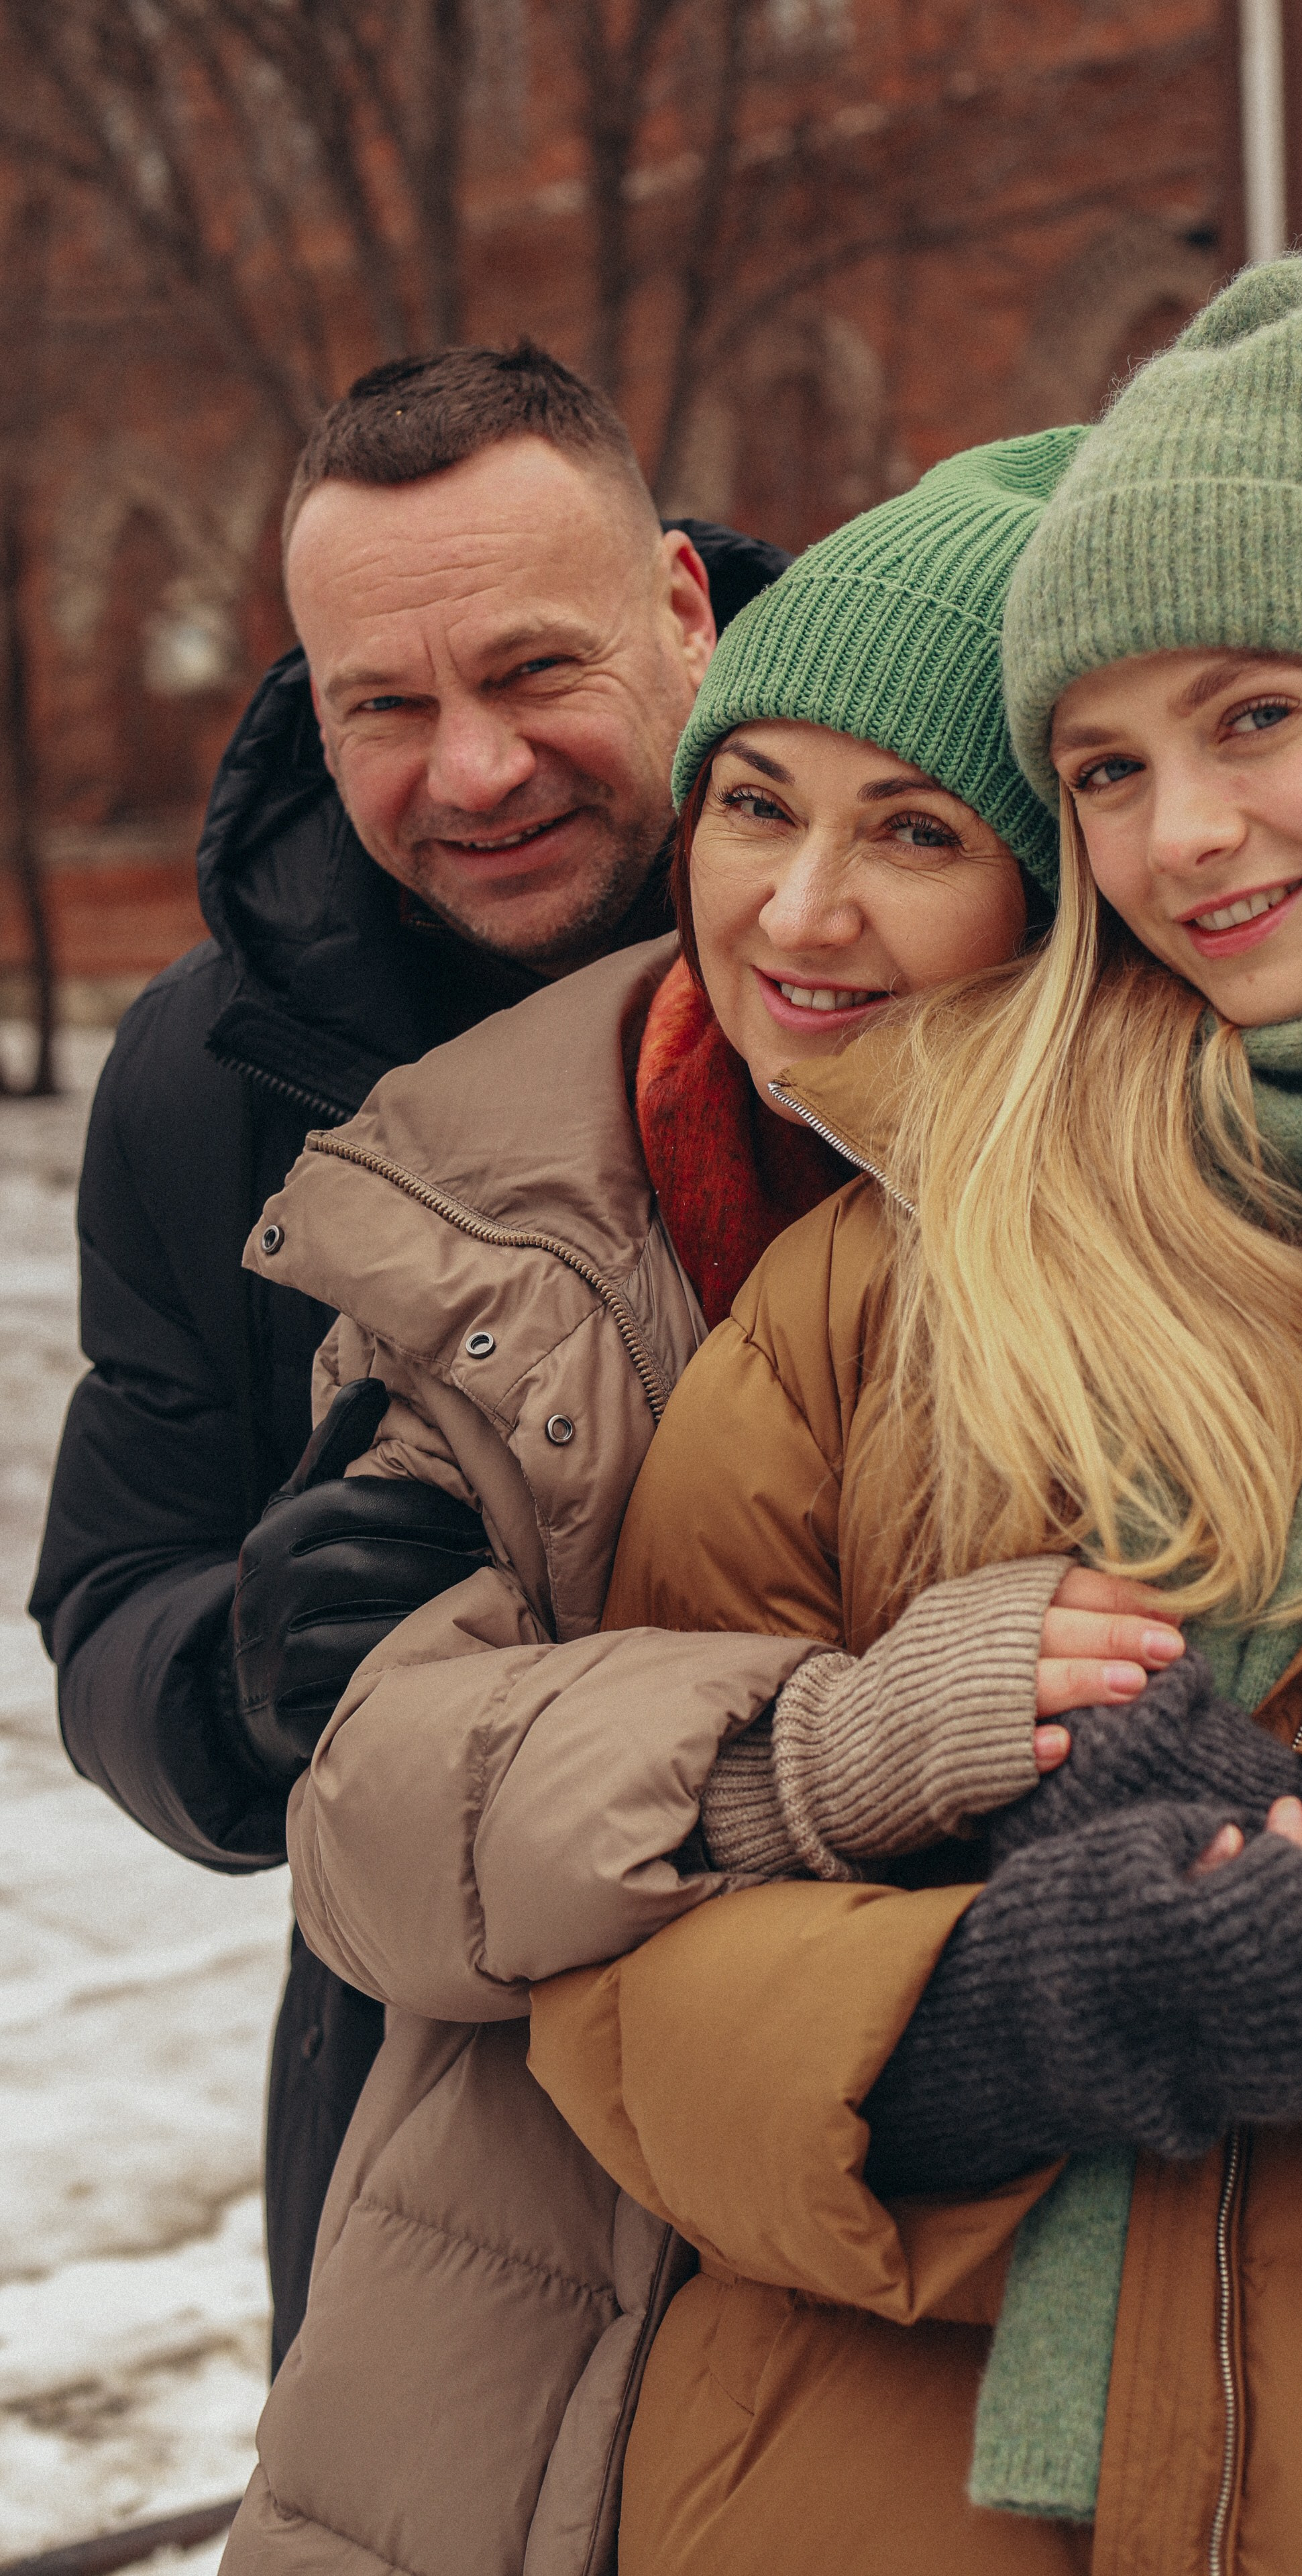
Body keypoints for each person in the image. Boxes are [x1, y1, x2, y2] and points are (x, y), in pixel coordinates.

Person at [530, 257, 1302, 2575]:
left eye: (1255, 714)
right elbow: (614, 1928)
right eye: (1103, 768)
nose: (1182, 834)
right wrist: (962, 2021)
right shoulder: (891, 1273)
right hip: (854, 2487)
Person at [218, 434, 1184, 2576]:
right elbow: (367, 1826)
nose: (799, 907)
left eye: (916, 831)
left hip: (978, 2352)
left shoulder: (1234, 1250)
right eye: (755, 809)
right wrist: (815, 1748)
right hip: (513, 2300)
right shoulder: (481, 1194)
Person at [27, 338, 789, 2363]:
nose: (471, 769)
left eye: (536, 672)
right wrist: (235, 1662)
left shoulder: (931, 915)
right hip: (436, 2109)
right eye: (388, 704)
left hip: (920, 2044)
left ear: (683, 613)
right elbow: (112, 1584)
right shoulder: (213, 1076)